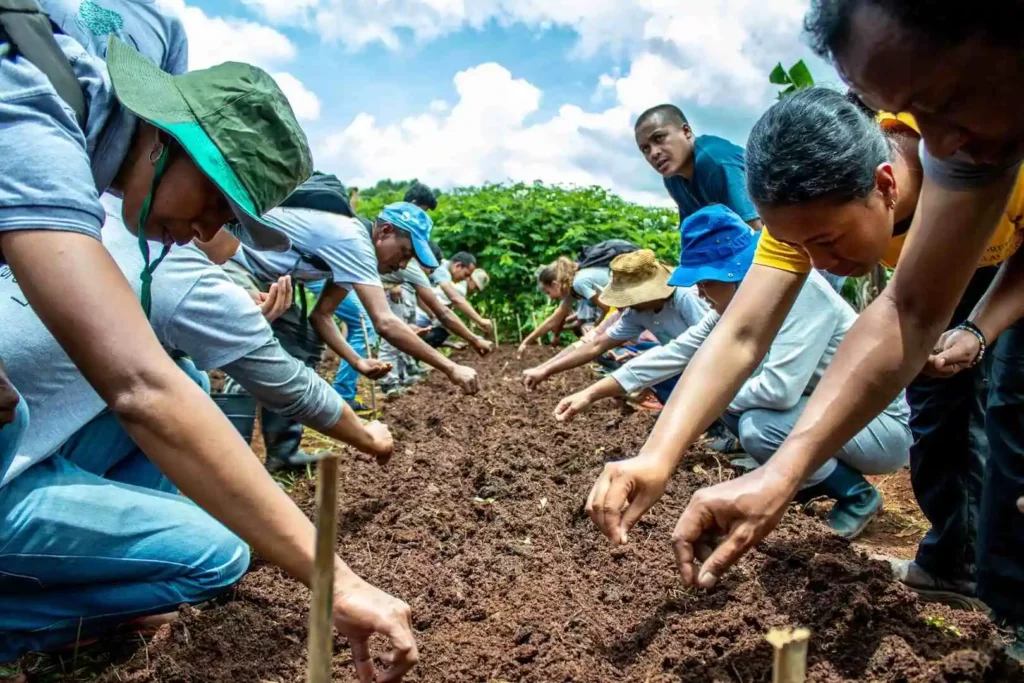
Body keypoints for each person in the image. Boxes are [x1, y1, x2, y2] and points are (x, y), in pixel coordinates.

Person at [0, 28, 417, 679]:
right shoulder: (32, 110)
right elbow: (143, 390)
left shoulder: (78, 150)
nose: (205, 233)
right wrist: (336, 579)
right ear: (168, 142)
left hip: (24, 429)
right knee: (219, 553)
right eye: (215, 204)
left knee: (189, 379)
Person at [656, 1, 1024, 659]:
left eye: (943, 101)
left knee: (1008, 423)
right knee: (938, 421)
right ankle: (956, 564)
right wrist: (668, 457)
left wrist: (985, 325)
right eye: (915, 116)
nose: (937, 142)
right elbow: (895, 313)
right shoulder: (967, 144)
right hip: (970, 280)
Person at [0, 194, 397, 657]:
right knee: (221, 556)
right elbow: (289, 386)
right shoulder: (180, 271)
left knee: (186, 375)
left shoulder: (100, 214)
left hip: (22, 443)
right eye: (231, 218)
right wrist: (366, 434)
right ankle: (22, 621)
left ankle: (124, 564)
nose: (216, 230)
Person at [582, 206, 910, 538]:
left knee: (758, 425)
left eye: (706, 281)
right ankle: (810, 483)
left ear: (734, 274)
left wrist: (716, 396)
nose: (700, 293)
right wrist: (596, 391)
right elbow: (679, 351)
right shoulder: (738, 304)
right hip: (827, 411)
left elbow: (779, 390)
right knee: (731, 406)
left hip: (879, 427)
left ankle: (857, 496)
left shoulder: (802, 293)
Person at [223, 200, 482, 469]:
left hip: (270, 280)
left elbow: (321, 315)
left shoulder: (350, 255)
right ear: (384, 232)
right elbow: (385, 322)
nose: (402, 265)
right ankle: (227, 467)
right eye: (404, 252)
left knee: (304, 344)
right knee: (253, 348)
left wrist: (357, 361)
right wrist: (451, 367)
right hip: (234, 261)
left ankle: (282, 455)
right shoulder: (355, 241)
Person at [521, 249, 708, 404]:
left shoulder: (684, 297)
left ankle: (711, 420)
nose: (624, 304)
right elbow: (596, 345)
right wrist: (545, 370)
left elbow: (714, 343)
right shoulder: (636, 312)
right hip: (687, 361)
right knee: (643, 358)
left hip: (712, 365)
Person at [634, 104, 762, 232]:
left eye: (659, 138)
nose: (653, 153)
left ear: (686, 132)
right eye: (645, 149)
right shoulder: (673, 179)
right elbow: (693, 234)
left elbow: (754, 231)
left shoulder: (714, 161)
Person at [517, 257, 611, 356]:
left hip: (622, 301)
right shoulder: (571, 290)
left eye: (548, 292)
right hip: (617, 306)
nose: (550, 297)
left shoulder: (578, 283)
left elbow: (607, 308)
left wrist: (596, 328)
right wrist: (526, 342)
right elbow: (552, 321)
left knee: (593, 342)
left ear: (555, 285)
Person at [422, 252, 494, 347]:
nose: (474, 291)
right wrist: (479, 322)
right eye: (475, 287)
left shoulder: (443, 267)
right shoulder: (460, 289)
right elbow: (446, 315)